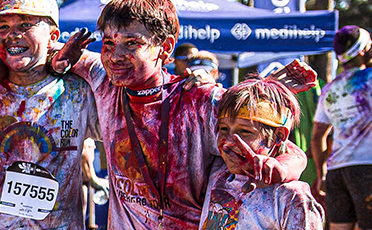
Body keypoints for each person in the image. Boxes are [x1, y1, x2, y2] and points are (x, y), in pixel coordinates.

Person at [48, 0, 310, 227]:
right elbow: (40, 51)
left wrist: (279, 168)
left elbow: (287, 149)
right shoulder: (104, 80)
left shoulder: (198, 99)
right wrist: (61, 61)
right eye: (108, 43)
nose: (116, 55)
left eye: (132, 44)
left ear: (166, 47)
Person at [0, 0, 102, 228]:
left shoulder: (80, 92)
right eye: (3, 27)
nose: (12, 35)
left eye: (26, 25)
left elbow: (126, 85)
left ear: (53, 36)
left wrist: (61, 55)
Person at [201, 77, 323, 229]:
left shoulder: (290, 197)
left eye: (244, 131)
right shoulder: (217, 174)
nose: (229, 141)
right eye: (224, 129)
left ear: (279, 136)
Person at [311, 25, 372, 230]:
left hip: (337, 171)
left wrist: (322, 175)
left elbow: (317, 136)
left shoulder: (329, 89)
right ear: (362, 51)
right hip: (367, 167)